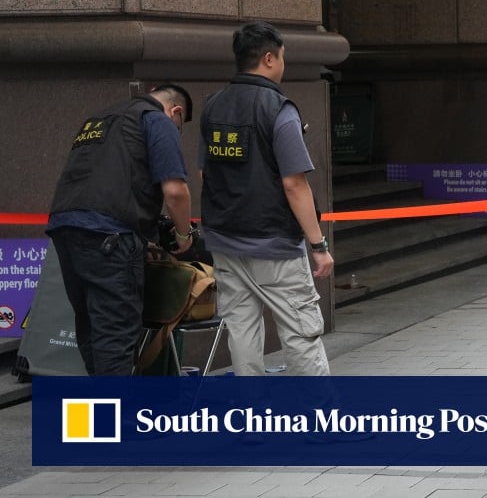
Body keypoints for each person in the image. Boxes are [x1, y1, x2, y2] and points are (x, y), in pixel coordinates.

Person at [199, 22, 333, 376]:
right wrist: (318, 245)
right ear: (269, 58)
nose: (283, 65)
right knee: (300, 329)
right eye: (283, 57)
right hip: (274, 242)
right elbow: (294, 184)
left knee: (241, 330)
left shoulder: (213, 106)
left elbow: (204, 174)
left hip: (225, 239)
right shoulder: (278, 109)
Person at [47, 84, 196, 375]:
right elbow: (176, 191)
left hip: (66, 229)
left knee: (91, 329)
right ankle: (113, 405)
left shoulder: (98, 120)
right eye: (179, 127)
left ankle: (100, 403)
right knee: (115, 335)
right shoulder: (157, 119)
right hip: (110, 236)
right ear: (176, 112)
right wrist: (183, 235)